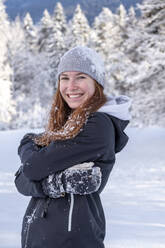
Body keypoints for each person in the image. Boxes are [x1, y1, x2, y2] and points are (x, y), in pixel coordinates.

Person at [15, 46, 132, 248]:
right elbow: (21, 179)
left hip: (72, 240)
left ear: (97, 82)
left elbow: (32, 168)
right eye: (65, 78)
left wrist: (30, 153)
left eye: (80, 77)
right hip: (43, 238)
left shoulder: (98, 125)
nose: (71, 86)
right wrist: (52, 184)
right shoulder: (70, 124)